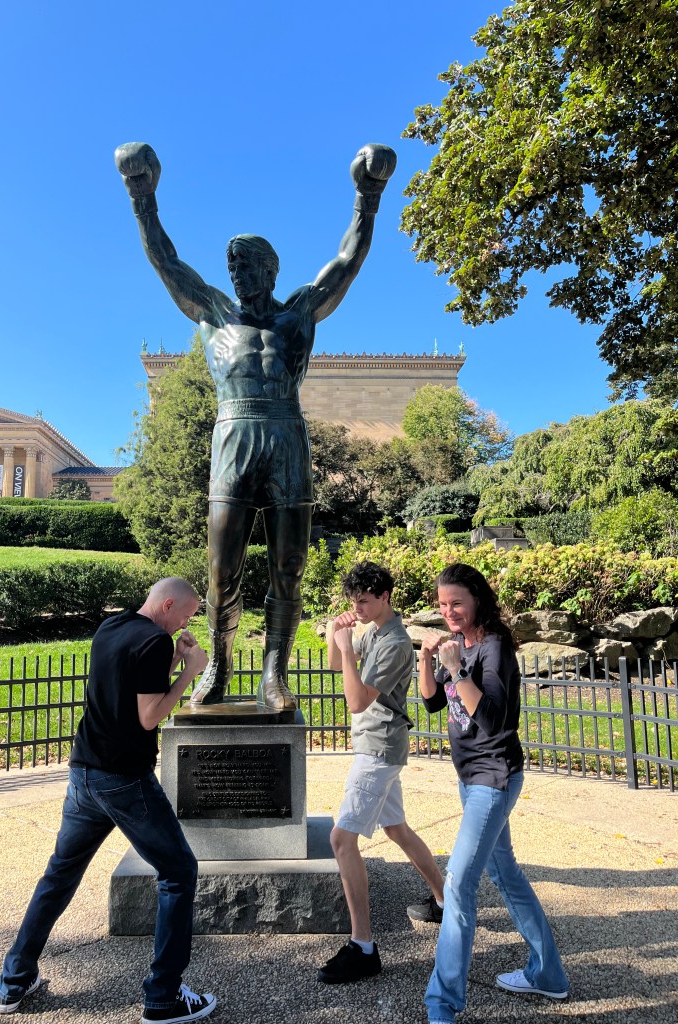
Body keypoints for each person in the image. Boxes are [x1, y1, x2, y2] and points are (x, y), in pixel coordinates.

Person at [114, 140, 396, 711]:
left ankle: (275, 673)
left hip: (286, 436)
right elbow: (166, 262)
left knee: (289, 566)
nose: (238, 274)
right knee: (223, 568)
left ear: (271, 270)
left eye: (248, 265)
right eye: (232, 266)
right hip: (233, 435)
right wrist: (143, 196)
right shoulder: (214, 313)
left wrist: (368, 196)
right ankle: (218, 664)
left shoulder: (298, 314)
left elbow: (347, 262)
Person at [0, 578, 217, 1024]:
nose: (185, 623)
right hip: (124, 779)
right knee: (178, 872)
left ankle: (14, 981)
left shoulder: (112, 626)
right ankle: (163, 998)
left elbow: (129, 676)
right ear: (168, 604)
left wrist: (173, 657)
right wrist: (191, 672)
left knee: (59, 875)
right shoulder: (154, 640)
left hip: (84, 772)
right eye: (186, 615)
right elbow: (149, 715)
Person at [415, 563, 569, 1023]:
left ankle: (441, 1005)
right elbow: (430, 702)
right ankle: (549, 975)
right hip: (470, 779)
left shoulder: (495, 647)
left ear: (477, 599)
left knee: (459, 884)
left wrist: (457, 669)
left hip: (494, 778)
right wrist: (428, 661)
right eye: (442, 605)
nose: (449, 612)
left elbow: (493, 720)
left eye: (456, 603)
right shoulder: (457, 645)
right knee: (507, 876)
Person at [317, 561, 445, 984]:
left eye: (365, 601)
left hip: (378, 748)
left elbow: (356, 700)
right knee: (397, 829)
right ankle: (446, 901)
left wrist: (346, 641)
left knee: (341, 838)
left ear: (386, 596)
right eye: (354, 602)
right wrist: (341, 637)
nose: (359, 608)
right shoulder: (371, 628)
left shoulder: (393, 643)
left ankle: (363, 946)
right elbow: (339, 665)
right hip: (377, 744)